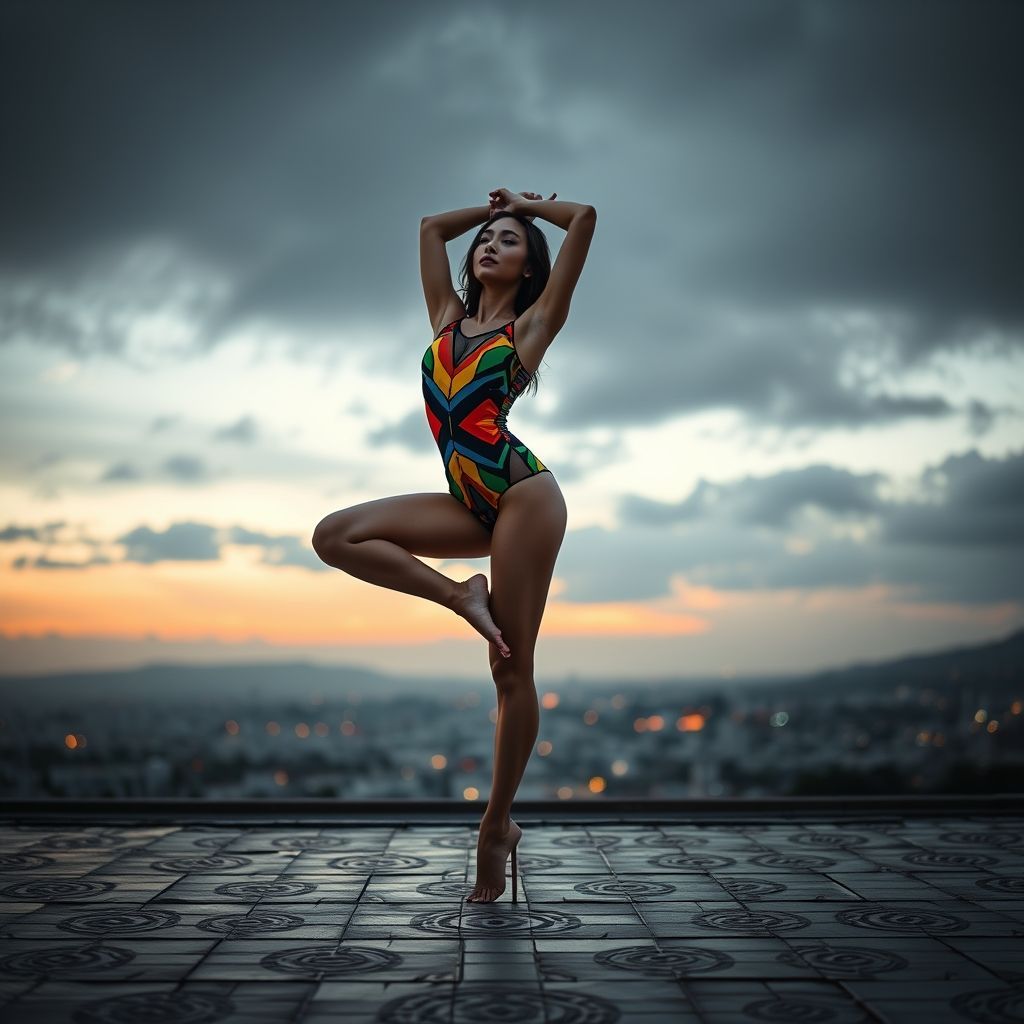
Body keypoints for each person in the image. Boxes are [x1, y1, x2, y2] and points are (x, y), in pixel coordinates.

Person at [312, 187, 597, 903]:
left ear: (531, 267)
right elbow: (431, 227)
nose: (490, 244)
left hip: (524, 495)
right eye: (488, 238)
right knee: (336, 535)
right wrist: (488, 206)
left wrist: (530, 204)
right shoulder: (446, 317)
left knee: (510, 668)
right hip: (469, 501)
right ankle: (459, 594)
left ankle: (496, 824)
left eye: (509, 240)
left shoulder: (532, 327)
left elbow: (584, 220)